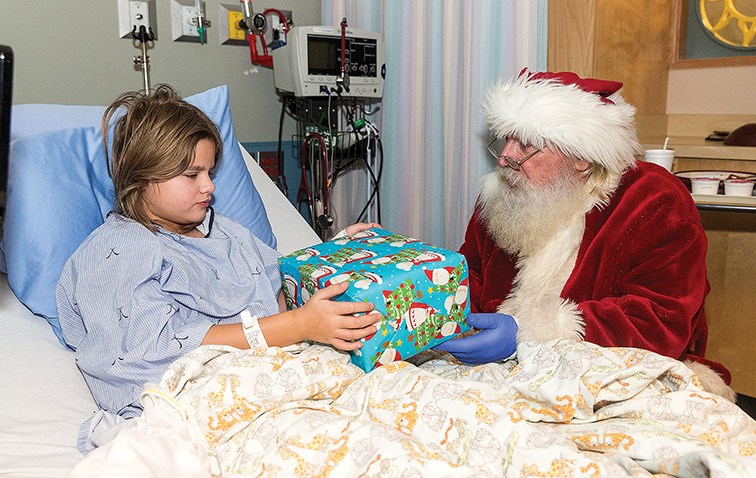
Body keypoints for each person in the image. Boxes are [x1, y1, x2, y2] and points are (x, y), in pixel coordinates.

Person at [56, 84, 381, 452]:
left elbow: (282, 297)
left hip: (286, 366)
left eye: (209, 172)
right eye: (192, 175)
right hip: (209, 398)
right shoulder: (119, 249)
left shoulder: (228, 232)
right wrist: (297, 326)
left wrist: (334, 258)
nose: (209, 186)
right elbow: (147, 355)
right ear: (142, 178)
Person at [436, 69, 735, 402]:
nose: (506, 156)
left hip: (616, 372)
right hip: (502, 373)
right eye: (505, 138)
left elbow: (659, 320)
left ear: (581, 158)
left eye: (526, 145)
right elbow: (470, 275)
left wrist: (528, 333)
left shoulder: (655, 200)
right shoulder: (501, 194)